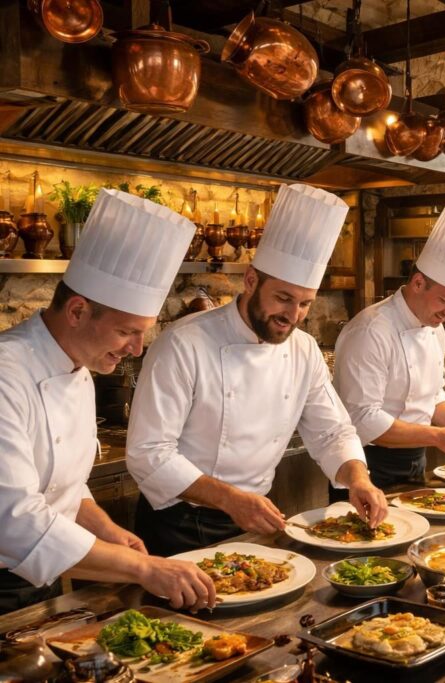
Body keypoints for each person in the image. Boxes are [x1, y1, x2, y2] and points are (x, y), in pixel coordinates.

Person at [128, 184, 387, 556]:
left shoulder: (303, 349)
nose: (292, 315)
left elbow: (332, 431)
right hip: (180, 524)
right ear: (251, 281)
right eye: (283, 298)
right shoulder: (183, 343)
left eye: (304, 304)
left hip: (254, 516)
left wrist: (357, 478)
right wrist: (230, 498)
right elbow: (149, 453)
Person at [0, 189, 216, 613]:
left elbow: (64, 484)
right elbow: (15, 518)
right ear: (78, 311)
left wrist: (105, 529)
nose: (137, 349)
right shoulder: (7, 375)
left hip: (37, 582)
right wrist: (143, 568)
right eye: (126, 332)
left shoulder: (78, 366)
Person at [334, 208, 445, 491]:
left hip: (414, 461)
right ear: (418, 283)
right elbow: (363, 420)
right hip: (366, 467)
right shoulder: (370, 331)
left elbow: (433, 395)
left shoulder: (435, 328)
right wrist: (437, 437)